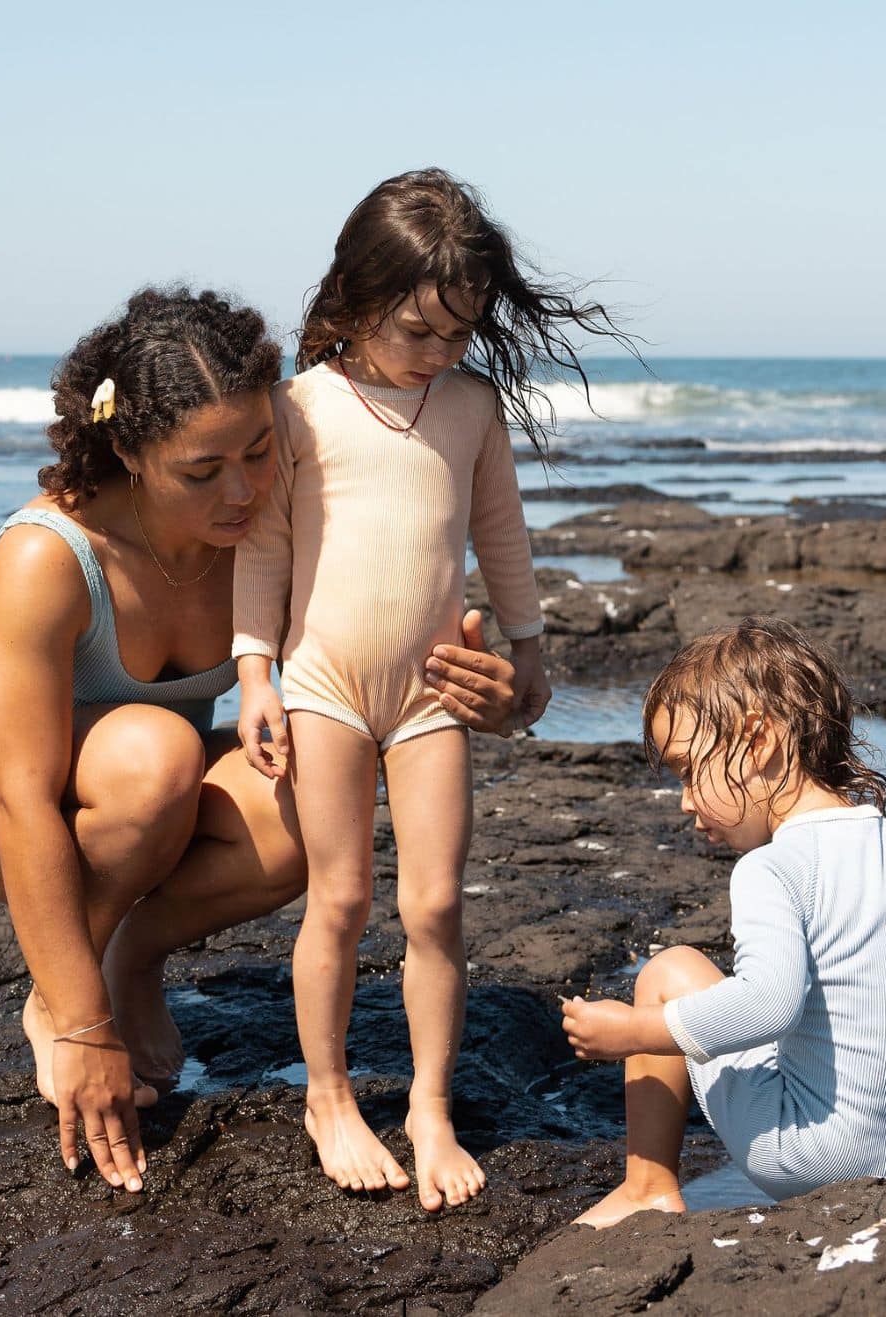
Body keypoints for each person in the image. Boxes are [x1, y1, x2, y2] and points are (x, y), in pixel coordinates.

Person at [0, 287, 527, 1195]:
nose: (243, 488)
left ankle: (134, 954)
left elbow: (385, 622)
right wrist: (81, 1024)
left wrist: (499, 688)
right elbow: (22, 795)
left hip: (147, 795)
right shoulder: (50, 553)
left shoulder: (262, 529)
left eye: (259, 450)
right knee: (156, 755)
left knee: (312, 815)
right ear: (129, 449)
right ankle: (69, 987)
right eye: (204, 470)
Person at [232, 168, 636, 1212]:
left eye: (461, 333)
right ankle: (327, 1096)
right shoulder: (301, 409)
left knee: (439, 902)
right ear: (357, 300)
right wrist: (253, 674)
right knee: (342, 896)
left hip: (431, 696)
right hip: (321, 685)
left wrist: (532, 648)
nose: (442, 352)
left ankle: (428, 1108)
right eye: (420, 330)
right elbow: (267, 551)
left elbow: (500, 531)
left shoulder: (469, 407)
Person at [560, 617, 886, 1225]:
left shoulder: (771, 868)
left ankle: (647, 1187)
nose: (686, 800)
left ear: (758, 741)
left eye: (689, 770)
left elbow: (769, 1002)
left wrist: (634, 1034)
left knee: (671, 969)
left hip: (807, 1156)